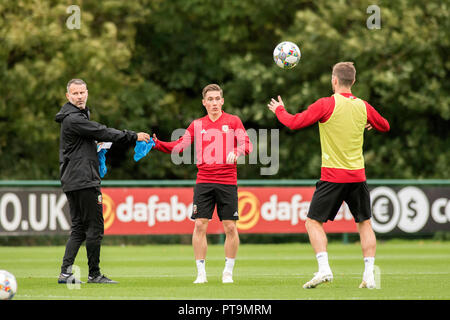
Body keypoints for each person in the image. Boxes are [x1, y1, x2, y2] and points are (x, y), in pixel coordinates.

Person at [267, 62, 390, 289]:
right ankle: (369, 276)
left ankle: (324, 269)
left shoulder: (326, 104)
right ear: (353, 81)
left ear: (334, 80)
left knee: (313, 222)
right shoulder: (363, 106)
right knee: (365, 223)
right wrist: (370, 124)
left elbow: (294, 123)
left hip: (333, 177)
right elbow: (385, 126)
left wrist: (279, 110)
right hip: (358, 177)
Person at [153, 84, 253, 284]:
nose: (214, 103)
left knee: (230, 227)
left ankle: (228, 272)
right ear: (204, 103)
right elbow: (179, 146)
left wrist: (239, 152)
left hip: (227, 181)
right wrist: (157, 144)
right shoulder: (197, 124)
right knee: (199, 224)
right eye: (211, 99)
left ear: (222, 101)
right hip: (204, 181)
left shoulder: (233, 121)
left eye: (218, 99)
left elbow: (247, 144)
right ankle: (201, 273)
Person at [55, 79, 150, 284]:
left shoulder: (75, 117)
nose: (79, 96)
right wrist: (133, 136)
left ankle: (65, 273)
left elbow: (93, 137)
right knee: (95, 228)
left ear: (87, 93)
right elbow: (101, 131)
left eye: (82, 92)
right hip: (84, 180)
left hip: (74, 178)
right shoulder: (74, 119)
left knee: (79, 227)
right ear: (68, 96)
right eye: (75, 93)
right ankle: (94, 274)